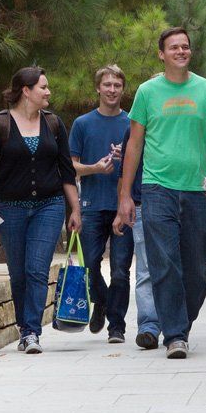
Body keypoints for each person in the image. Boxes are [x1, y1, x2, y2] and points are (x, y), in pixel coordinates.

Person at [117, 27, 206, 359]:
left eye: (185, 47)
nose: (181, 51)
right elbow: (134, 145)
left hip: (198, 190)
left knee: (197, 269)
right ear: (161, 54)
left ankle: (180, 321)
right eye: (174, 47)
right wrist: (125, 195)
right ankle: (176, 335)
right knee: (164, 263)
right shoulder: (147, 92)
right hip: (157, 188)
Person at [0, 66, 81, 354]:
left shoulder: (54, 124)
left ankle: (32, 332)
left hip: (49, 205)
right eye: (43, 87)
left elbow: (66, 171)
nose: (48, 92)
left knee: (36, 269)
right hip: (10, 208)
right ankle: (24, 326)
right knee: (19, 272)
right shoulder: (1, 124)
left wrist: (75, 209)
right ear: (26, 91)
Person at [69, 65, 133, 344]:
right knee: (89, 265)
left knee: (121, 269)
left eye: (117, 85)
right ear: (98, 88)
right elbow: (70, 168)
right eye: (106, 85)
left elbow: (143, 163)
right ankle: (102, 301)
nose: (111, 90)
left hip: (123, 206)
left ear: (123, 89)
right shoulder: (82, 124)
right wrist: (94, 168)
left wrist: (126, 160)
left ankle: (116, 326)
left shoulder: (133, 123)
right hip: (92, 205)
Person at [112, 124, 161, 350]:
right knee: (145, 270)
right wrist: (123, 205)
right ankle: (148, 327)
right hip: (142, 203)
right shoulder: (138, 123)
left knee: (182, 269)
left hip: (181, 199)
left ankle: (177, 322)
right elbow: (125, 170)